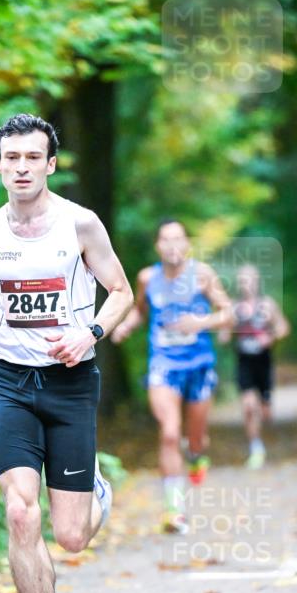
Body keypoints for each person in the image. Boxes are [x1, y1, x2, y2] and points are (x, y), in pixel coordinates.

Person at [0, 113, 133, 593]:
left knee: (73, 537)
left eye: (33, 158)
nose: (22, 167)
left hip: (71, 383)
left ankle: (94, 490)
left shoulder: (80, 226)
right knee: (18, 510)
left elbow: (122, 293)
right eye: (12, 158)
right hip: (10, 381)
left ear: (50, 164)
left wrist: (91, 334)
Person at [111, 219, 231, 534]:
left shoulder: (202, 275)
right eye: (166, 240)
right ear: (158, 246)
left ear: (187, 245)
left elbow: (228, 312)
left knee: (194, 437)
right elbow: (140, 310)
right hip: (163, 364)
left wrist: (201, 322)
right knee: (168, 432)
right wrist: (127, 325)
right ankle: (174, 510)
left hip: (199, 364)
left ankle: (196, 454)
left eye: (178, 239)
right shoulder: (148, 278)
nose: (172, 245)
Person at [221, 263, 290, 469]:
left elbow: (284, 327)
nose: (246, 285)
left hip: (264, 361)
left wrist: (271, 336)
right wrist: (225, 333)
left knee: (265, 410)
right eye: (242, 281)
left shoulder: (267, 305)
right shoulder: (234, 307)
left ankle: (266, 414)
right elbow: (225, 333)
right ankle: (256, 447)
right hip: (244, 362)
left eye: (249, 280)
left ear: (257, 282)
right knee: (249, 406)